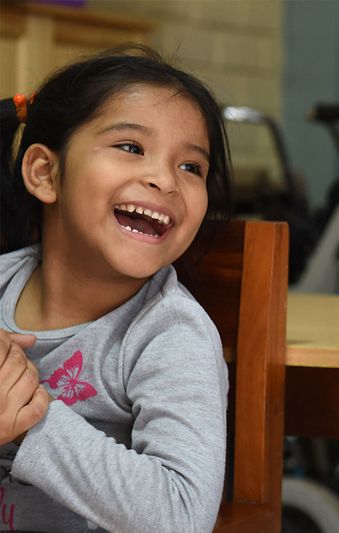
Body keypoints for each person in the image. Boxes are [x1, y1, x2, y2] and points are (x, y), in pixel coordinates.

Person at [0, 45, 232, 531]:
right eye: (131, 147)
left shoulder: (170, 334)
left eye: (192, 167)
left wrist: (27, 423)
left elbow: (182, 514)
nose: (165, 179)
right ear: (45, 173)